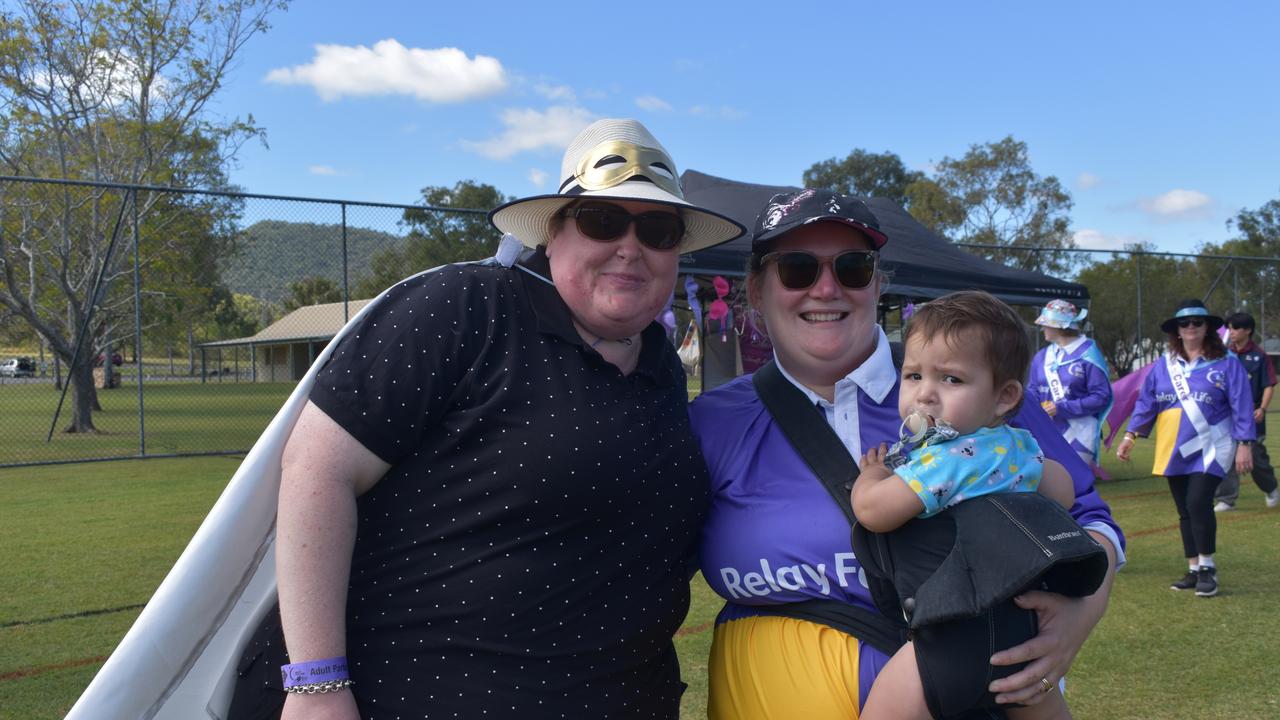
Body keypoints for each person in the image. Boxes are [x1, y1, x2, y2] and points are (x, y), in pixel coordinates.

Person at [227, 118, 745, 719]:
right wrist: (316, 685)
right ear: (554, 233)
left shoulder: (661, 367)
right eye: (603, 221)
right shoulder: (466, 309)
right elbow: (317, 469)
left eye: (658, 229)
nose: (631, 247)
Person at [689, 188, 1124, 719]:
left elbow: (1088, 515)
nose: (825, 287)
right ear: (756, 289)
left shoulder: (972, 391)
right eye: (796, 268)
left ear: (877, 283)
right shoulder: (712, 420)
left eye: (852, 267)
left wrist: (1082, 609)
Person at [852, 291, 1104, 720]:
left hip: (948, 641)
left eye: (951, 380)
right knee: (1035, 702)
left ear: (1004, 397)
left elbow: (874, 512)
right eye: (913, 376)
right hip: (1018, 633)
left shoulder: (947, 460)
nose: (926, 395)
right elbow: (1062, 490)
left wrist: (870, 477)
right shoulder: (1017, 446)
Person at [1116, 299, 1255, 598]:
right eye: (1184, 323)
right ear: (1176, 330)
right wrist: (1130, 436)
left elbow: (1242, 405)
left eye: (1197, 322)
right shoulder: (1162, 366)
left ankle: (1208, 567)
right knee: (1184, 510)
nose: (1191, 327)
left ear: (1207, 328)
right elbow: (1146, 403)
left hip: (1215, 443)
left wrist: (1245, 444)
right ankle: (1193, 568)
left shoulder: (1227, 362)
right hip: (1175, 445)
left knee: (1198, 502)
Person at [1026, 300, 1113, 468]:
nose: (1043, 329)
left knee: (1074, 486)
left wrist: (1062, 408)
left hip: (1080, 432)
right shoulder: (1042, 356)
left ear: (1059, 326)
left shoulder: (1088, 354)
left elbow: (1101, 396)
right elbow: (1033, 390)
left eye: (1046, 324)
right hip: (1047, 430)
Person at [1213, 311, 1280, 511]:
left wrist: (1262, 408)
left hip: (1252, 416)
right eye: (1230, 328)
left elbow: (1269, 384)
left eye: (1235, 328)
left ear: (1248, 330)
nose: (1231, 332)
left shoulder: (1260, 356)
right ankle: (1226, 498)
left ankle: (1271, 488)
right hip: (1227, 417)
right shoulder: (1224, 355)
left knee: (1256, 458)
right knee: (1226, 456)